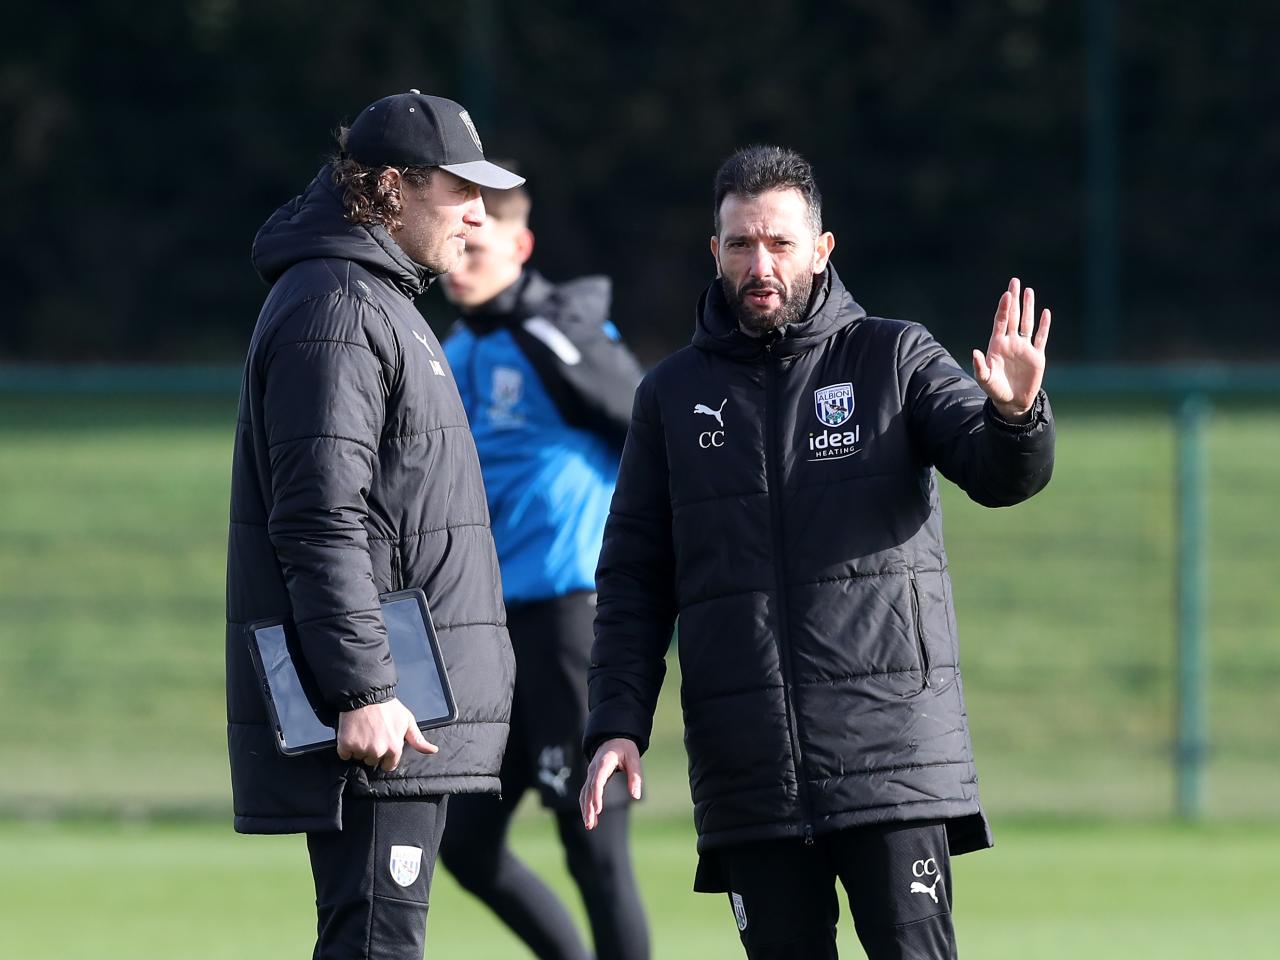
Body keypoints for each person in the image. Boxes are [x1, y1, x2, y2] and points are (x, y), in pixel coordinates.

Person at [580, 145, 1056, 960]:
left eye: (780, 243)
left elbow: (997, 474)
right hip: (749, 772)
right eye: (739, 245)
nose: (758, 264)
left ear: (822, 249)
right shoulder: (670, 396)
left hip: (891, 761)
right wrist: (617, 722)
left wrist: (1015, 417)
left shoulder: (893, 357)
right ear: (715, 253)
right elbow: (633, 579)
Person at [225, 90, 523, 960]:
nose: (478, 210)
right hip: (385, 718)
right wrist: (362, 689)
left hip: (406, 704)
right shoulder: (339, 308)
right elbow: (320, 516)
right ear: (392, 187)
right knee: (376, 945)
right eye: (458, 188)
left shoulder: (377, 298)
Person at [438, 173, 650, 960]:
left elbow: (650, 433)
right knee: (464, 847)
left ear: (521, 248)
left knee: (594, 852)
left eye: (479, 247)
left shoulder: (557, 338)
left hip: (571, 625)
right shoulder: (457, 348)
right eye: (454, 244)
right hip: (489, 634)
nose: (460, 262)